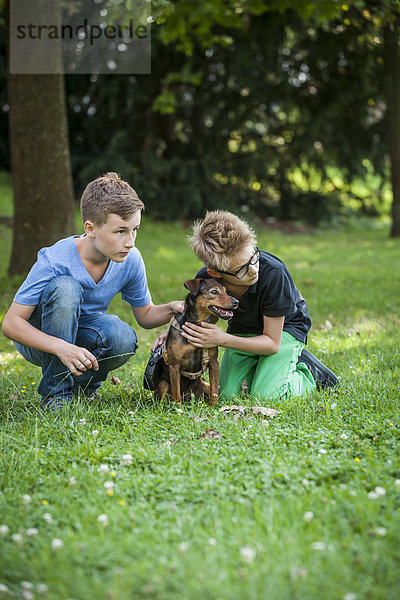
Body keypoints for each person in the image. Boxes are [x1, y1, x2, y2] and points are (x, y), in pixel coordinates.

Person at [2, 172, 183, 409]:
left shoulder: (130, 259)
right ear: (90, 228)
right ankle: (57, 395)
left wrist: (172, 308)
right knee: (66, 287)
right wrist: (60, 346)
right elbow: (11, 324)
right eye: (120, 231)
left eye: (135, 230)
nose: (130, 241)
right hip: (41, 339)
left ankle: (84, 387)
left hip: (83, 335)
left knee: (123, 338)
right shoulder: (55, 259)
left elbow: (146, 316)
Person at [178, 210, 339, 401]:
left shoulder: (273, 274)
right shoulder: (206, 282)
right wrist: (175, 335)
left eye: (253, 257)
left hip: (283, 331)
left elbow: (272, 343)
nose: (254, 270)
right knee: (227, 395)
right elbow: (198, 319)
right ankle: (264, 370)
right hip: (243, 330)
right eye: (241, 270)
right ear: (214, 273)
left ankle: (311, 373)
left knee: (266, 396)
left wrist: (222, 339)